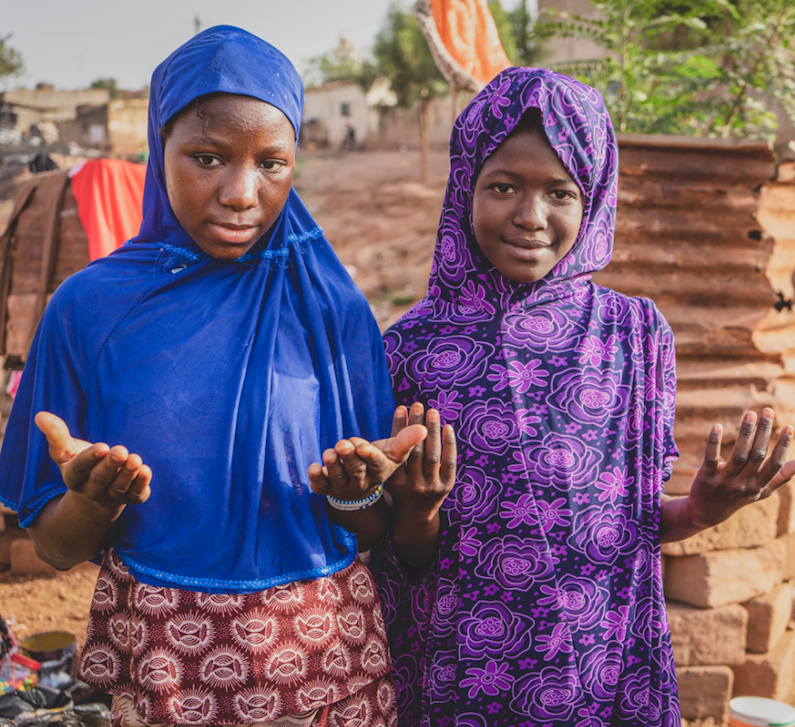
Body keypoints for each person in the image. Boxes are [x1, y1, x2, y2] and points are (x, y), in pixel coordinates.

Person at [0, 26, 423, 727]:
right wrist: (94, 501)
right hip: (165, 659)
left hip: (322, 663)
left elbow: (372, 527)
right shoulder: (88, 309)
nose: (239, 191)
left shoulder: (331, 309)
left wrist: (356, 494)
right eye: (207, 157)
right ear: (157, 150)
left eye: (272, 163)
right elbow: (53, 543)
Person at [371, 68, 795, 726]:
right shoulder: (410, 351)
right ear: (464, 189)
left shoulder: (633, 337)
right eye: (502, 186)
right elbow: (405, 554)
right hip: (460, 678)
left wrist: (706, 506)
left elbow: (638, 528)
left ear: (594, 197)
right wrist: (419, 511)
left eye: (559, 192)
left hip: (600, 670)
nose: (530, 216)